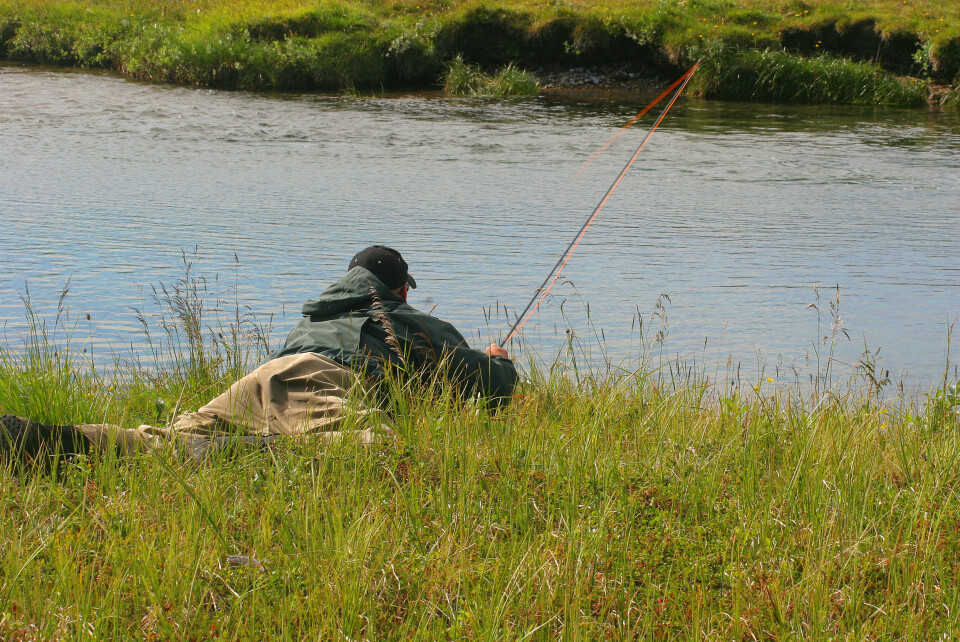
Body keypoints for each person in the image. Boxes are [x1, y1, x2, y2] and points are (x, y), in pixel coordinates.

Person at [0, 245, 517, 462]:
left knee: (165, 441)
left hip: (264, 376)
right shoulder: (403, 316)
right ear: (401, 289)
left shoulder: (315, 313)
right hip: (326, 381)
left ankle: (44, 440)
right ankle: (239, 454)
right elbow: (490, 389)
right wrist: (499, 360)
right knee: (375, 450)